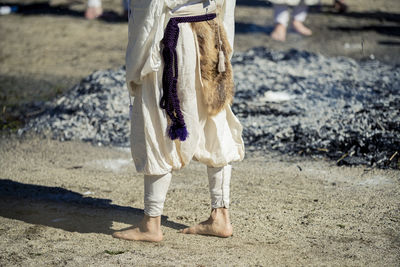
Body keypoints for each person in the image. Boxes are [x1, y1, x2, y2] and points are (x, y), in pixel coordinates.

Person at [112, 0, 244, 242]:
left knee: (159, 118)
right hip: (211, 27)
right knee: (215, 119)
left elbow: (153, 7)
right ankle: (221, 215)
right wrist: (225, 38)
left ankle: (151, 224)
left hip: (173, 36)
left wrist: (138, 62)